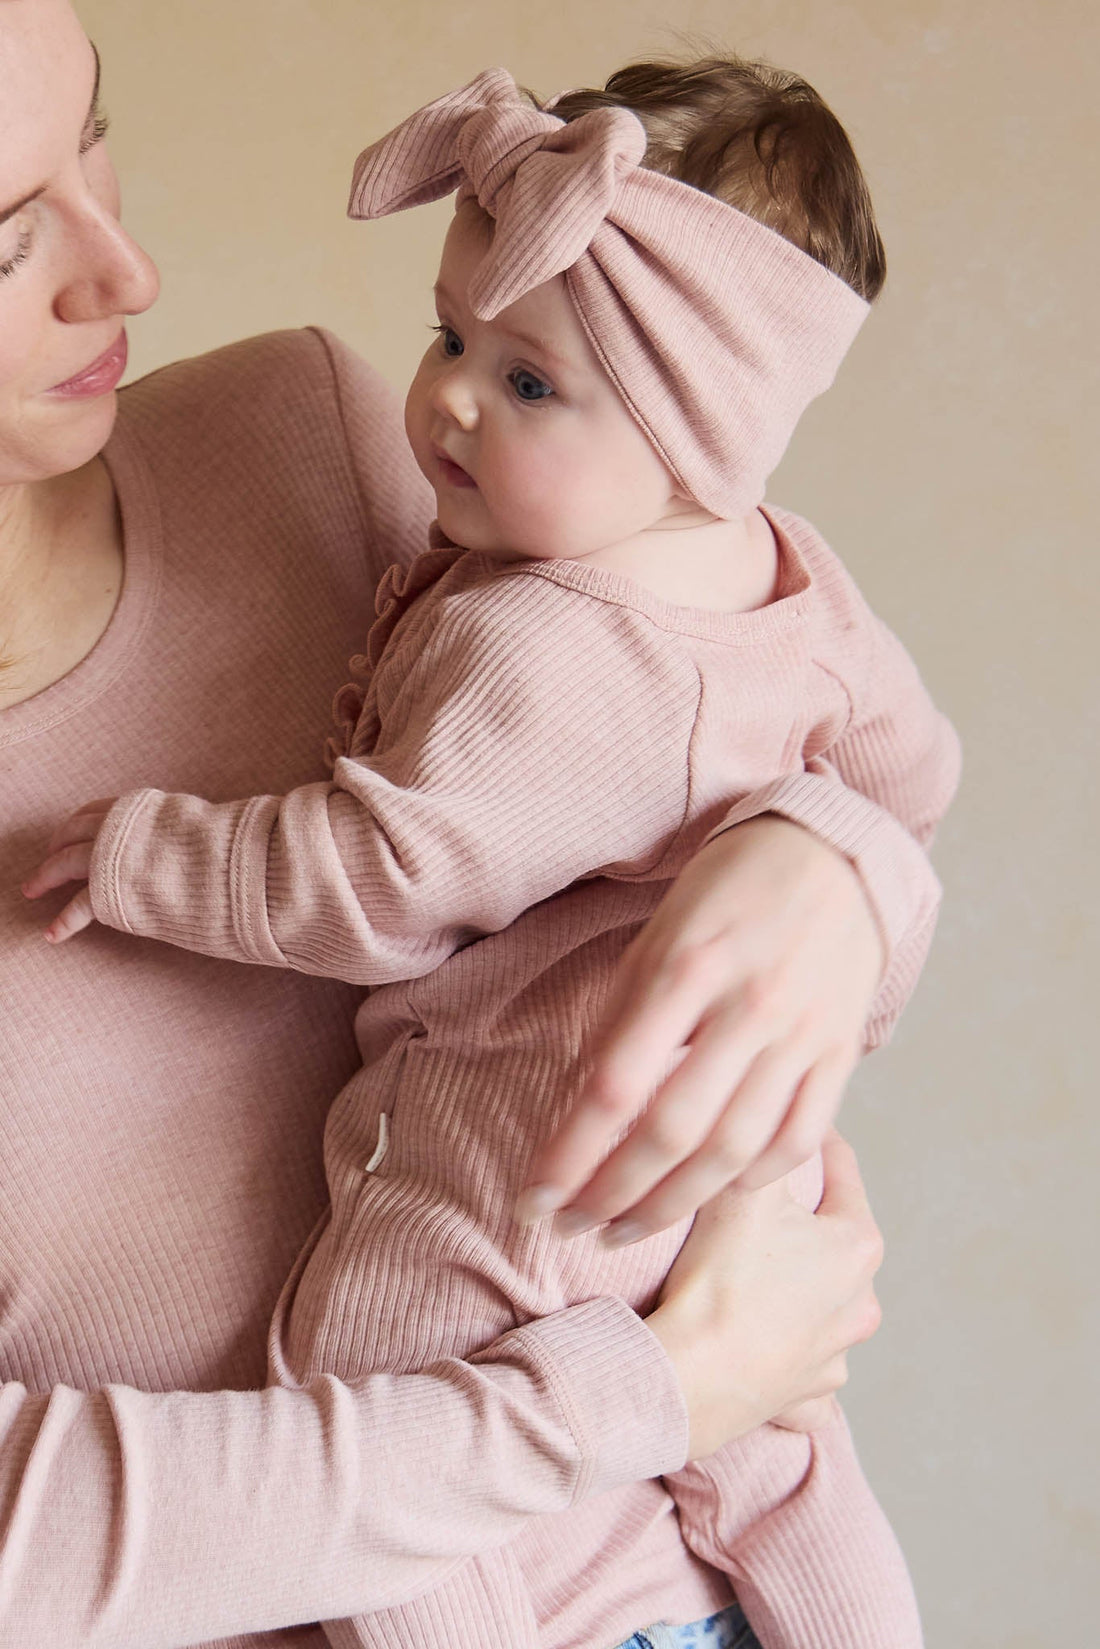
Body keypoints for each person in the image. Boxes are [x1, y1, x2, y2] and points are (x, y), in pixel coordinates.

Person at [24, 55, 957, 1649]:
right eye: (0, 231)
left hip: (658, 1563)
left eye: (94, 128)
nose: (126, 268)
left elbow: (434, 860)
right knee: (783, 1473)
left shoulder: (309, 436)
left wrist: (835, 870)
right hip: (619, 1412)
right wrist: (647, 1389)